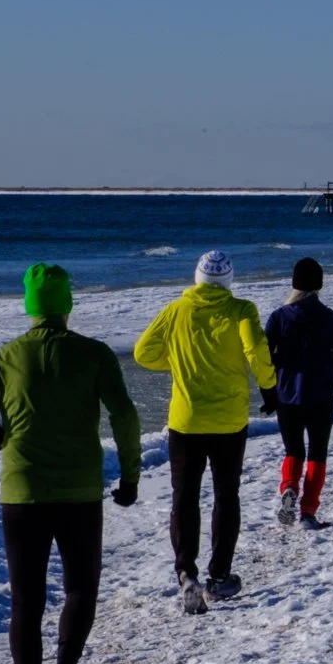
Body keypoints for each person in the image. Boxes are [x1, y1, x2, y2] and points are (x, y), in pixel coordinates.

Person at [0, 263, 141, 664]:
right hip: (79, 492)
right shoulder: (94, 353)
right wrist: (130, 474)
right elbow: (124, 415)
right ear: (67, 304)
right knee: (80, 588)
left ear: (29, 305)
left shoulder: (7, 356)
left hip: (22, 495)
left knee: (26, 602)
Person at [134, 251, 278, 615]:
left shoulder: (176, 310)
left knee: (184, 497)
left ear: (197, 278)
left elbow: (143, 352)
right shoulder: (241, 310)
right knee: (226, 496)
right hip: (229, 422)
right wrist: (269, 386)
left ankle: (186, 573)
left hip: (186, 421)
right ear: (228, 280)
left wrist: (178, 360)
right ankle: (219, 576)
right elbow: (256, 349)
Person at [266, 257, 333, 528]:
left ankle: (289, 486)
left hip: (287, 394)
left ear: (294, 284)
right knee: (317, 453)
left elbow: (264, 355)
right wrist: (330, 362)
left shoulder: (279, 317)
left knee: (293, 450)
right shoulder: (328, 316)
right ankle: (308, 512)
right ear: (319, 285)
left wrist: (274, 380)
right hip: (321, 393)